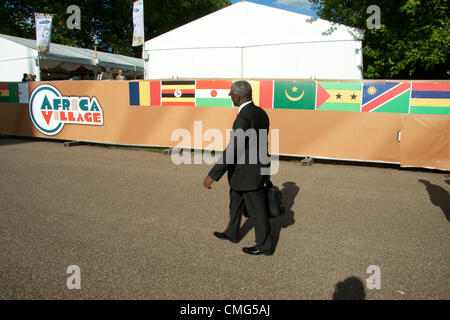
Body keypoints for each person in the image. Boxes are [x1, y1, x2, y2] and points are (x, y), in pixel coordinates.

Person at [203, 80, 274, 256]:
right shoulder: (261, 113)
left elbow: (234, 147)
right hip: (248, 170)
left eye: (231, 94)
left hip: (249, 172)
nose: (230, 97)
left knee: (258, 211)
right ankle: (232, 232)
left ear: (237, 96)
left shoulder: (243, 117)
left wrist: (213, 174)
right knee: (235, 203)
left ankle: (265, 246)